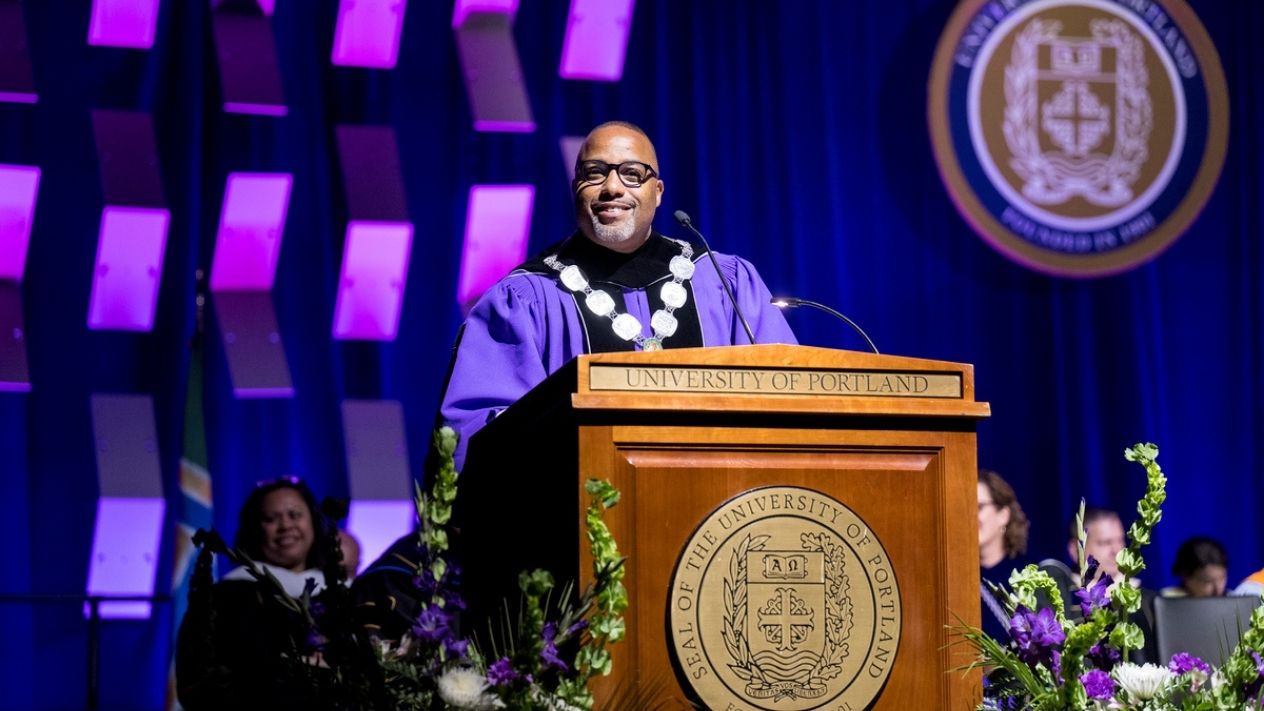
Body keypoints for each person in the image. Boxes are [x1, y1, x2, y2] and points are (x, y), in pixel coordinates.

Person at [439, 121, 797, 468]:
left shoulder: (725, 283)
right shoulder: (526, 299)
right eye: (594, 172)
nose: (612, 187)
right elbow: (479, 434)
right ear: (575, 186)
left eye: (632, 173)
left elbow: (788, 395)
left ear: (657, 192)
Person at [177, 478, 339, 708]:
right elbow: (197, 680)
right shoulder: (223, 599)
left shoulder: (343, 595)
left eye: (295, 514)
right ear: (254, 529)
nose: (285, 526)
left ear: (314, 522)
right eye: (271, 518)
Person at [1041, 507, 1157, 662]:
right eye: (1105, 543)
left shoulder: (1147, 599)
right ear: (1076, 550)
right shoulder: (1060, 596)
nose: (1116, 550)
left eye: (1120, 540)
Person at [977, 470, 1038, 641]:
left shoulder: (1030, 574)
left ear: (1003, 515)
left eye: (978, 507)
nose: (969, 516)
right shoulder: (955, 580)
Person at [1161, 536, 1228, 598]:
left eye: (1222, 578)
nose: (1218, 590)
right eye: (1208, 581)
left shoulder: (1232, 600)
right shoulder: (1164, 603)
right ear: (1186, 577)